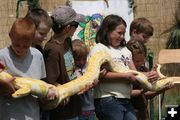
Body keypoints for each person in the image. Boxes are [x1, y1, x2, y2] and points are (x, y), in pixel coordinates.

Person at [90, 14, 137, 120]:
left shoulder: (126, 51)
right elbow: (98, 76)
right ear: (107, 31)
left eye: (123, 33)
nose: (122, 37)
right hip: (107, 99)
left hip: (126, 99)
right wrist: (125, 77)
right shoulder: (99, 49)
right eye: (119, 33)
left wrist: (149, 75)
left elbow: (134, 73)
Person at [0, 18, 46, 120]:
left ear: (32, 39)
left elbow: (42, 85)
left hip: (33, 115)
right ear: (10, 35)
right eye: (16, 44)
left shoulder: (38, 56)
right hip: (8, 116)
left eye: (25, 46)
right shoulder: (1, 57)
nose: (20, 49)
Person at [44, 6, 85, 120]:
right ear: (68, 27)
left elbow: (71, 67)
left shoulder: (67, 41)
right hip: (63, 110)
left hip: (75, 104)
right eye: (76, 25)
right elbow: (50, 81)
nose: (77, 27)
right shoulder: (52, 49)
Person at [127, 40, 174, 120]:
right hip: (130, 111)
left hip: (143, 112)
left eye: (143, 60)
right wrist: (144, 90)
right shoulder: (126, 73)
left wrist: (162, 88)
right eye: (137, 61)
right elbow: (130, 93)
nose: (140, 63)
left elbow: (148, 94)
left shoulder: (144, 69)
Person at [72, 39, 95, 120]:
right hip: (78, 109)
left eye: (84, 59)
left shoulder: (89, 67)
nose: (81, 62)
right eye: (77, 60)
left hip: (90, 108)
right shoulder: (72, 71)